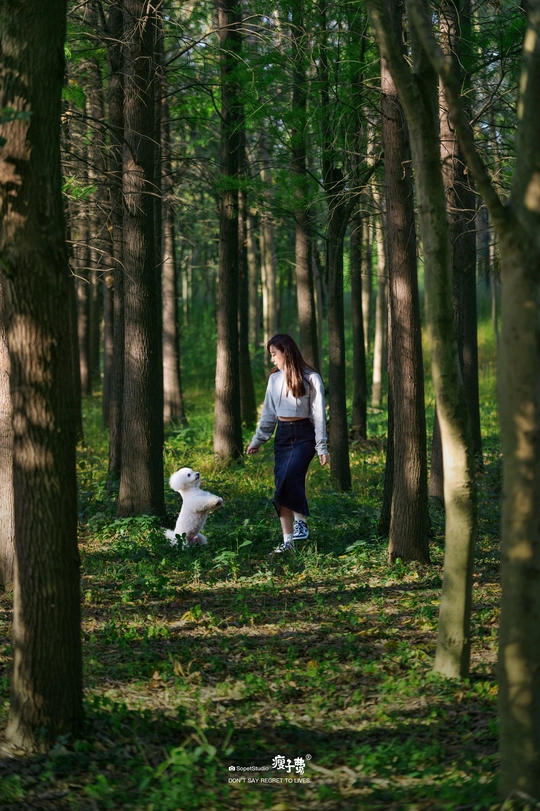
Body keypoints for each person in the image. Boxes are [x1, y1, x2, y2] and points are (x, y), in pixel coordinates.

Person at [247, 334, 328, 554]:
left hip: (304, 435)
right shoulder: (274, 380)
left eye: (274, 354)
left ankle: (300, 520)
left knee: (290, 476)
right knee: (281, 483)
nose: (272, 359)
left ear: (286, 352)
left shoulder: (311, 378)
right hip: (282, 435)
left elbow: (319, 414)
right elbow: (268, 414)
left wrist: (321, 446)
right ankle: (287, 541)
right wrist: (259, 440)